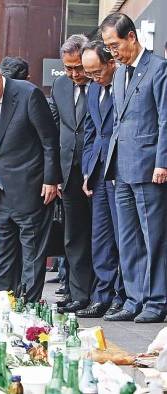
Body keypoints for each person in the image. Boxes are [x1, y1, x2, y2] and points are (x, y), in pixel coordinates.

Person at [0, 56, 61, 301]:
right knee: (1, 254)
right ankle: (1, 305)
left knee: (32, 253)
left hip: (30, 187)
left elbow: (49, 141)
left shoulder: (28, 94)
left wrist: (51, 179)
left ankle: (28, 309)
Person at [101, 13, 167, 323]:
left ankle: (156, 302)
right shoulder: (117, 74)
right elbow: (118, 121)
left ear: (131, 37)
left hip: (148, 166)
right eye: (107, 46)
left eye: (114, 45)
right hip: (121, 166)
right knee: (127, 238)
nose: (112, 51)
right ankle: (134, 299)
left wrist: (162, 162)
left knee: (153, 238)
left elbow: (165, 119)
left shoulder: (157, 68)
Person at [78, 40, 125, 318]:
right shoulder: (94, 88)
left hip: (120, 170)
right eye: (89, 73)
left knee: (123, 238)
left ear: (111, 63)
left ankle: (122, 295)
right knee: (101, 238)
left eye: (97, 72)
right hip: (98, 172)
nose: (93, 78)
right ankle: (102, 295)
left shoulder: (123, 85)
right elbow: (90, 132)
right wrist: (87, 171)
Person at [49, 34, 93, 314]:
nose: (75, 74)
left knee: (100, 235)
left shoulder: (102, 83)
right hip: (68, 172)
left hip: (96, 170)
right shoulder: (60, 86)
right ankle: (78, 294)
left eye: (78, 67)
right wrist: (54, 175)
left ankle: (102, 293)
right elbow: (53, 132)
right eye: (69, 68)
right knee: (73, 235)